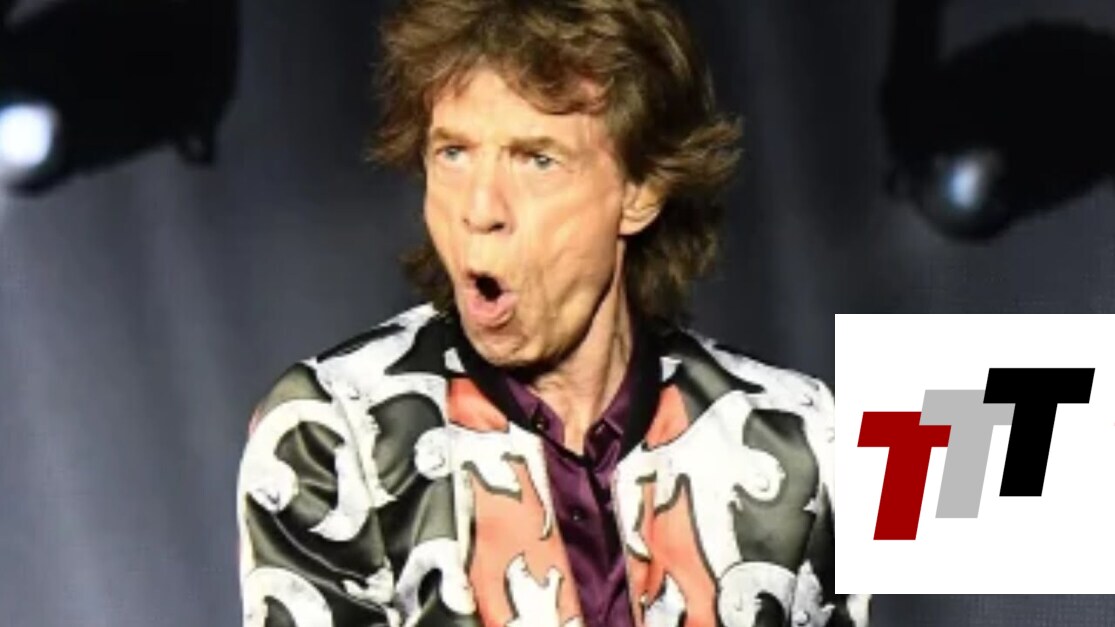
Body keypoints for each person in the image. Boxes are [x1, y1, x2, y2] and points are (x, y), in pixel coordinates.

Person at [236, 0, 870, 625]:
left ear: (640, 190)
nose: (480, 208)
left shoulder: (806, 437)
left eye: (537, 159)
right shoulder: (330, 435)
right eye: (452, 153)